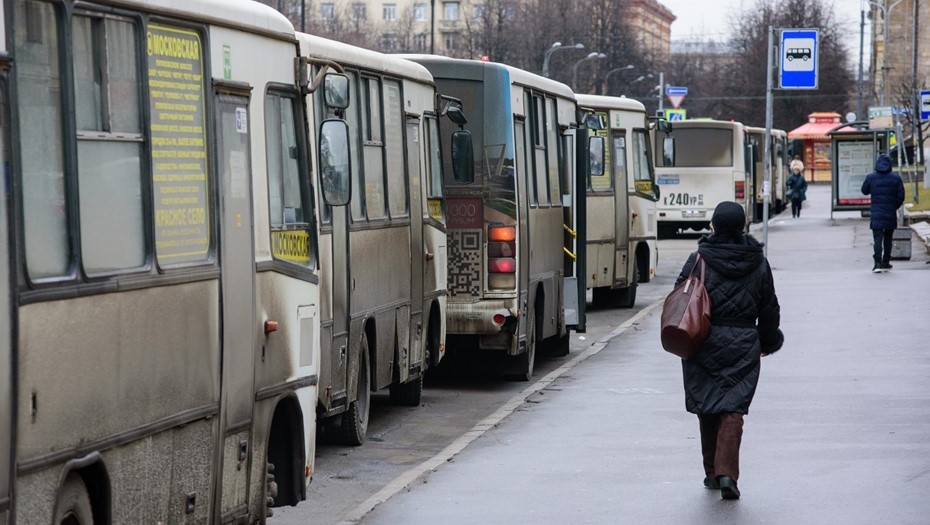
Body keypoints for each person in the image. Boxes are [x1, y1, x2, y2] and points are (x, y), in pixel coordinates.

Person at [673, 201, 783, 501]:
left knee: (707, 404)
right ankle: (726, 474)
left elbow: (680, 294)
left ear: (714, 226)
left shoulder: (699, 259)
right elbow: (769, 306)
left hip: (702, 340)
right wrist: (769, 340)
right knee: (733, 408)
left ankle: (712, 472)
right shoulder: (758, 261)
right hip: (744, 342)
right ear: (742, 227)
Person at [861, 153, 905, 273]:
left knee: (878, 239)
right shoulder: (896, 178)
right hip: (890, 213)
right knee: (888, 238)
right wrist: (894, 207)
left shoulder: (871, 177)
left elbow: (864, 191)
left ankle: (877, 263)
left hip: (876, 214)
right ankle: (886, 262)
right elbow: (901, 196)